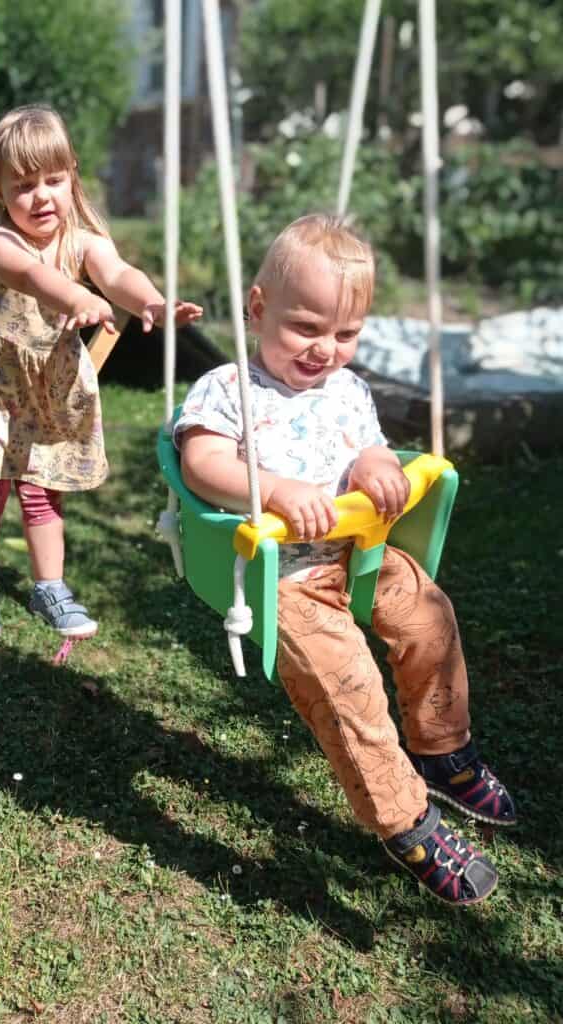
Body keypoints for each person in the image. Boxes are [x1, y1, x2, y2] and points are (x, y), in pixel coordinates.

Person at [174, 214, 515, 906]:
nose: (326, 350)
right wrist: (274, 489)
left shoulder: (348, 391)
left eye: (346, 334)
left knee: (429, 615)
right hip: (283, 578)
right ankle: (404, 817)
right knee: (347, 681)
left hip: (357, 555)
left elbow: (372, 446)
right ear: (258, 307)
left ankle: (443, 747)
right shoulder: (227, 387)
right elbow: (201, 463)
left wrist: (377, 465)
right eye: (307, 328)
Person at [0, 105, 202, 646]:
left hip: (47, 388)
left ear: (72, 176)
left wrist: (152, 301)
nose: (41, 196)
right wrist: (79, 297)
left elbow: (118, 275)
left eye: (53, 181)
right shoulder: (0, 242)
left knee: (43, 492)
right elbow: (34, 277)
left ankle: (50, 586)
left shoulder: (84, 239)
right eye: (23, 185)